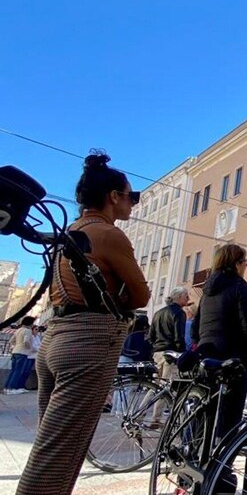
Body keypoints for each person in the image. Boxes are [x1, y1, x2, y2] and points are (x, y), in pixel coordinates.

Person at [17, 152, 149, 495]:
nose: (133, 204)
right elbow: (141, 294)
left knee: (50, 447)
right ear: (114, 197)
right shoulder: (109, 234)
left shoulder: (71, 231)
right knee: (57, 459)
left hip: (55, 340)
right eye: (130, 196)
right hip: (87, 342)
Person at [192, 244, 247, 437]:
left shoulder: (207, 292)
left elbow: (195, 328)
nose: (246, 266)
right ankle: (223, 461)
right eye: (245, 262)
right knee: (230, 416)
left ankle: (197, 455)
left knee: (206, 409)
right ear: (237, 264)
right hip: (233, 356)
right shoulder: (241, 288)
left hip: (207, 353)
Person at [148, 287, 188, 376]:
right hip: (171, 354)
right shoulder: (179, 313)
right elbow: (179, 336)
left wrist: (155, 348)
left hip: (157, 353)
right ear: (179, 297)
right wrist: (181, 353)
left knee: (156, 385)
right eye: (186, 296)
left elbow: (150, 336)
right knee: (169, 384)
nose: (188, 298)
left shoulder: (157, 313)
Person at [3, 316, 35, 394]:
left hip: (15, 351)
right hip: (23, 352)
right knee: (18, 371)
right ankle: (12, 388)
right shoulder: (27, 331)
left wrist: (17, 345)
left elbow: (12, 341)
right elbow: (26, 341)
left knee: (13, 370)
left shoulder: (18, 330)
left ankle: (7, 387)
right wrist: (30, 348)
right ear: (30, 323)